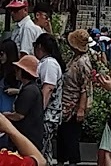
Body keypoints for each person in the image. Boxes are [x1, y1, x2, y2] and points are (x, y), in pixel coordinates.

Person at [56, 29, 92, 166]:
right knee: (63, 136)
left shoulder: (83, 62)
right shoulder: (75, 58)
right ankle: (62, 160)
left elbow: (85, 87)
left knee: (71, 137)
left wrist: (81, 108)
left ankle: (72, 162)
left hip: (73, 105)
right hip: (65, 103)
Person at [33, 34, 64, 162]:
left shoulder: (49, 64)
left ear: (39, 46)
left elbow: (48, 89)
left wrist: (38, 111)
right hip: (49, 113)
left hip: (48, 114)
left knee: (42, 149)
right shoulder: (47, 63)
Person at [4, 56, 43, 152]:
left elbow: (19, 115)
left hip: (28, 136)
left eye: (18, 69)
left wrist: (4, 116)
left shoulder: (29, 91)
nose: (16, 72)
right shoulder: (31, 88)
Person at [0, 42, 19, 114]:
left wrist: (16, 91)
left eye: (2, 54)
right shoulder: (2, 70)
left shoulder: (16, 72)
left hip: (9, 110)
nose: (0, 57)